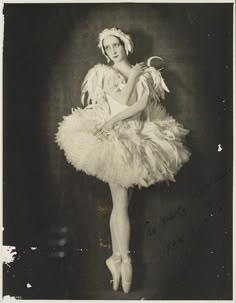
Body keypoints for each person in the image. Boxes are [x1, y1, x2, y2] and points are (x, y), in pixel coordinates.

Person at [55, 27, 191, 294]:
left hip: (136, 137)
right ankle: (123, 259)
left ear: (125, 44)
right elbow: (120, 103)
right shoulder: (105, 74)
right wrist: (112, 119)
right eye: (107, 47)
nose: (112, 50)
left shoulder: (146, 73)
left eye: (115, 44)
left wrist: (138, 77)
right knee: (120, 204)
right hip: (114, 140)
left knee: (122, 204)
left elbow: (140, 107)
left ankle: (116, 258)